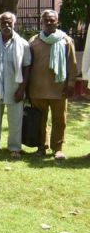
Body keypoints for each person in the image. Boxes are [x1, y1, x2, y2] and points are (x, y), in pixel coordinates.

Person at [27, 9, 78, 159]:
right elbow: (27, 65)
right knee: (39, 120)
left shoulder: (66, 40)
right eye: (46, 20)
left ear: (57, 22)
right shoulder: (33, 41)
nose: (49, 22)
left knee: (59, 120)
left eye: (52, 20)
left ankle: (58, 148)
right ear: (41, 22)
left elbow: (72, 64)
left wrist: (71, 84)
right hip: (37, 88)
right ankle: (41, 146)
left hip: (59, 88)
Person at [0, 12, 31, 157]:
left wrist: (22, 89)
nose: (6, 25)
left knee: (15, 120)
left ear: (14, 23)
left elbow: (27, 67)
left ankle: (14, 148)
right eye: (3, 22)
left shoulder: (23, 44)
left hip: (15, 88)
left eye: (9, 22)